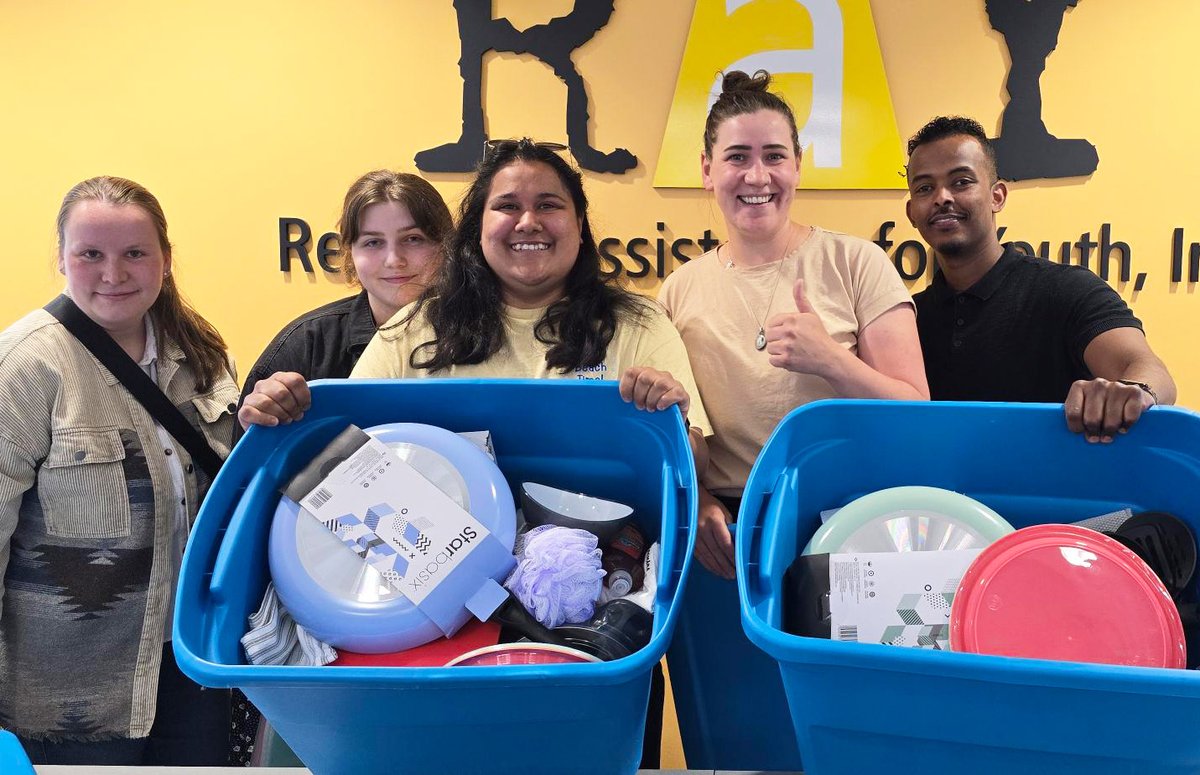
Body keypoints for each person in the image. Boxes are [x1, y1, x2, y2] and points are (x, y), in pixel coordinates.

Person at [240, 139, 709, 769]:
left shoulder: (636, 326)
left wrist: (672, 415)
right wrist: (281, 412)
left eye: (550, 204)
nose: (528, 221)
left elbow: (691, 468)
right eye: (505, 205)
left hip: (592, 621)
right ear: (476, 227)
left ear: (579, 223)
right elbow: (339, 465)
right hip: (428, 611)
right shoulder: (414, 331)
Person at [0, 176, 239, 765]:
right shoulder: (26, 366)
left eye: (135, 252)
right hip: (71, 688)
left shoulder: (203, 356)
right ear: (59, 257)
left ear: (164, 258)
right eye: (91, 254)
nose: (115, 274)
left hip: (194, 662)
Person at [658, 70, 929, 580]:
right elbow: (674, 431)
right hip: (727, 534)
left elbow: (916, 412)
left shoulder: (857, 262)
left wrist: (832, 362)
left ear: (798, 166)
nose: (757, 176)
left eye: (774, 156)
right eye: (737, 156)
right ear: (707, 170)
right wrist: (696, 503)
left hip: (848, 521)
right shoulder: (678, 289)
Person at [228, 170, 454, 764]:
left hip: (457, 564)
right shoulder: (309, 343)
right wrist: (263, 414)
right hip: (333, 578)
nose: (394, 260)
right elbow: (243, 472)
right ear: (348, 253)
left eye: (414, 239)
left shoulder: (483, 335)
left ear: (447, 245)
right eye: (372, 243)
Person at [905, 116, 1175, 441]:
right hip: (937, 492)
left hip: (1053, 490)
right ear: (912, 213)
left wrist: (1133, 392)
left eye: (961, 181)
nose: (941, 197)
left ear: (997, 196)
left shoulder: (1066, 289)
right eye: (924, 188)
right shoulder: (906, 316)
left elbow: (1149, 371)